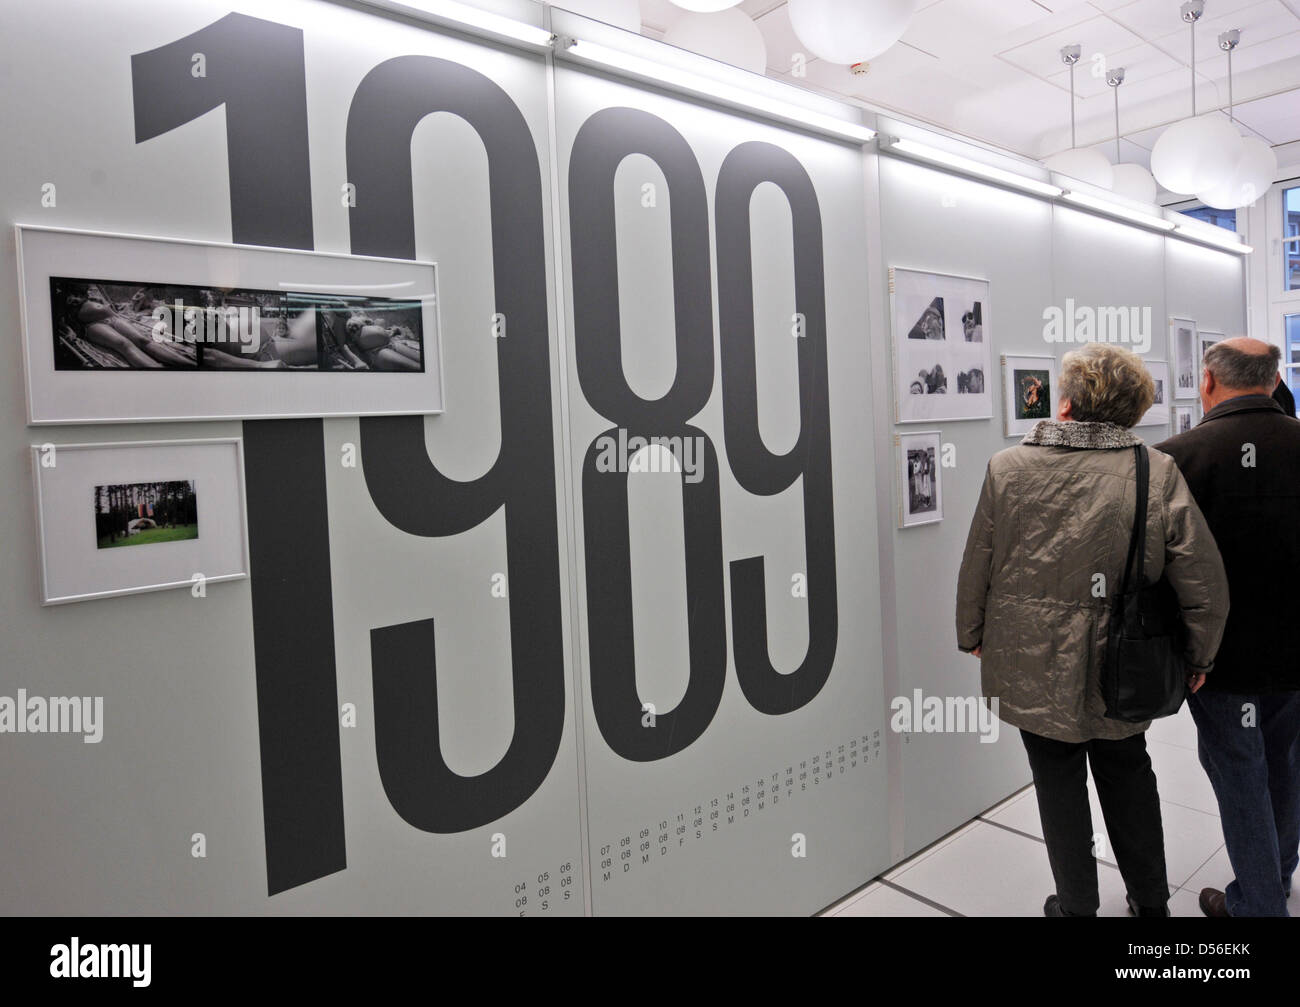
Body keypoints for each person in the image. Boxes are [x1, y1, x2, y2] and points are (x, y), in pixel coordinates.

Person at [956, 342, 1228, 918]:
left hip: (1031, 656)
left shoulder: (1008, 468)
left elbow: (979, 557)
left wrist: (971, 630)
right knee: (1129, 777)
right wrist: (1199, 657)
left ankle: (1077, 906)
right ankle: (1152, 907)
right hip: (1122, 661)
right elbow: (1201, 578)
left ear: (1068, 401)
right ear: (1132, 409)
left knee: (1056, 784)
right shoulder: (1154, 472)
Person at [1155, 338, 1300, 917]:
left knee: (1239, 773)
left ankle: (1260, 906)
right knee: (1285, 762)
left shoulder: (1174, 459)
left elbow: (1158, 567)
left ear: (1208, 382)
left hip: (1217, 659)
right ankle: (1276, 876)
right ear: (1273, 379)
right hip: (1294, 652)